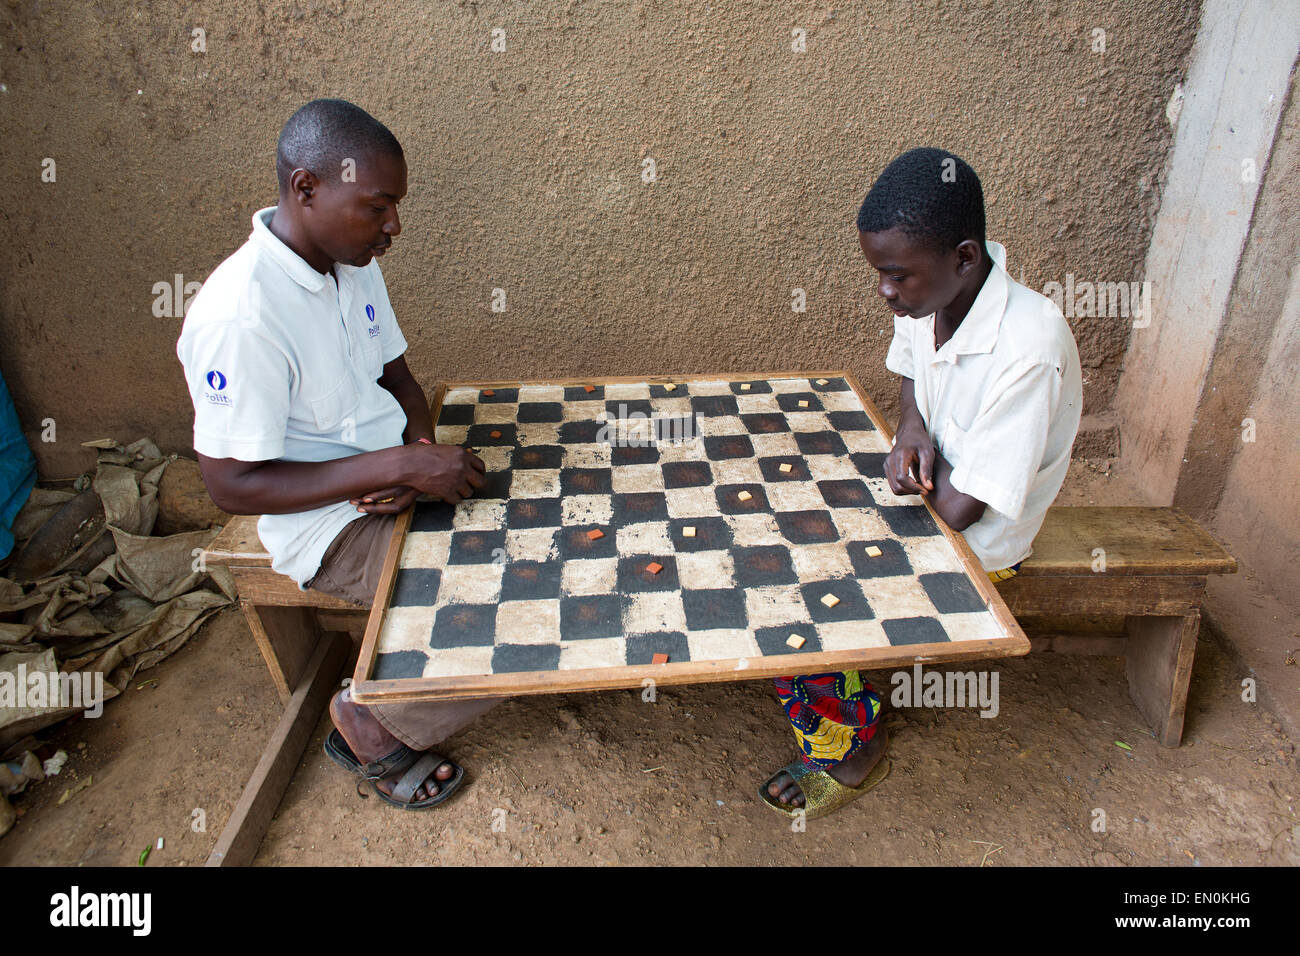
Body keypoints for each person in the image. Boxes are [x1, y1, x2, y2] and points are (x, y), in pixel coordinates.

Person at [177, 99, 500, 809]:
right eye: (378, 206)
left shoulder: (351, 263)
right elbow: (230, 484)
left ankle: (391, 690)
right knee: (504, 604)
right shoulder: (241, 317)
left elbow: (401, 379)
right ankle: (373, 721)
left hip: (391, 480)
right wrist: (394, 469)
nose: (394, 227)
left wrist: (415, 453)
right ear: (306, 189)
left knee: (540, 541)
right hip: (324, 525)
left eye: (397, 207)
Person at [760, 147, 1082, 819]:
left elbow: (963, 511)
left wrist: (858, 519)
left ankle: (852, 752)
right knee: (776, 528)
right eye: (880, 273)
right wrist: (911, 428)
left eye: (895, 276)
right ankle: (840, 685)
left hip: (979, 542)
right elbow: (911, 374)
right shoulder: (930, 294)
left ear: (964, 257)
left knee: (804, 602)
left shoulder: (1030, 347)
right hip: (927, 495)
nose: (884, 291)